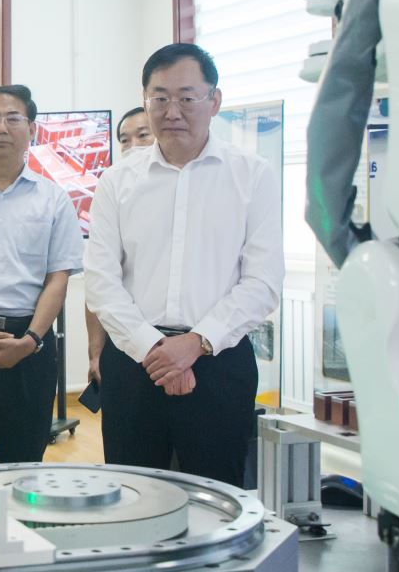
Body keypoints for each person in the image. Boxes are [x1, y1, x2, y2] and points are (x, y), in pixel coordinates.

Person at [85, 43, 282, 487]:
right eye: (159, 98)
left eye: (187, 97)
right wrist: (153, 348)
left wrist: (195, 343)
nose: (172, 111)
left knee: (216, 497)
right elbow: (100, 280)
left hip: (219, 363)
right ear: (145, 101)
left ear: (214, 101)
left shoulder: (252, 175)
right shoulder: (117, 181)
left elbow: (263, 281)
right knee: (133, 495)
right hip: (134, 364)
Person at [0, 85, 83, 467]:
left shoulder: (54, 200)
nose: (1, 127)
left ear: (32, 129)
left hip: (29, 347)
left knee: (23, 467)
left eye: (12, 118)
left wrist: (30, 341)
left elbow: (58, 279)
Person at [88, 105, 154, 389]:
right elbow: (98, 282)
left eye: (143, 135)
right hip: (126, 341)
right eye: (125, 140)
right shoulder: (112, 189)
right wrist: (95, 353)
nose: (133, 146)